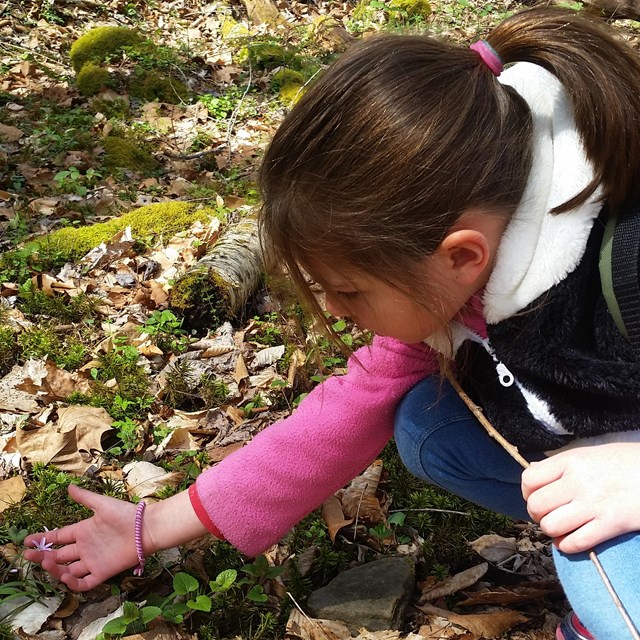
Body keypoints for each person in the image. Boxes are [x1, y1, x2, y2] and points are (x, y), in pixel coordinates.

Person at [24, 7, 640, 639]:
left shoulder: (621, 264)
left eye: (349, 290)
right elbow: (335, 420)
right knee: (427, 426)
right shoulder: (458, 287)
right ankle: (605, 560)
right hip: (598, 444)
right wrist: (152, 524)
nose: (340, 311)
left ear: (461, 255)